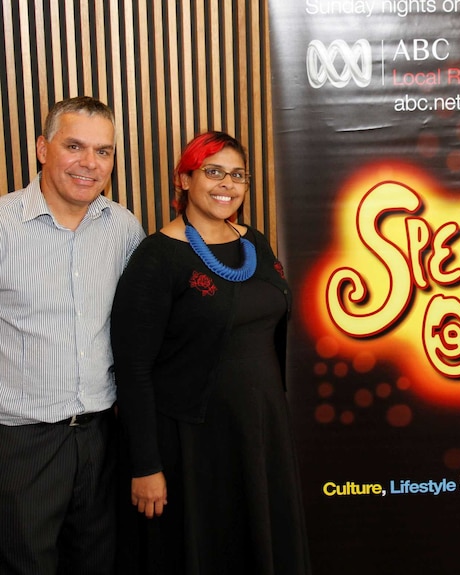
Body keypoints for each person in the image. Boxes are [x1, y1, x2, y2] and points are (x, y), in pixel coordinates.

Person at [111, 131, 308, 574]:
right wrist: (145, 465)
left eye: (238, 175)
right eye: (213, 172)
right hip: (192, 446)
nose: (227, 184)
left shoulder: (254, 242)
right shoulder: (156, 258)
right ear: (184, 180)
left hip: (258, 433)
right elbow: (132, 369)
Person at [0, 96, 145, 574]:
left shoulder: (123, 229)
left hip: (102, 438)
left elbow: (139, 330)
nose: (90, 163)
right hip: (20, 443)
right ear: (43, 148)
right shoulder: (2, 227)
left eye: (103, 152)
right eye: (75, 146)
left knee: (100, 562)